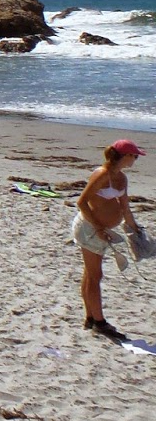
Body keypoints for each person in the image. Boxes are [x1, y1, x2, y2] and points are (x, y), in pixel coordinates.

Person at [73, 138, 144, 341]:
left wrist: (135, 229)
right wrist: (98, 227)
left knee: (91, 274)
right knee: (95, 276)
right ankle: (100, 322)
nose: (136, 160)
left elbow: (124, 207)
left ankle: (90, 318)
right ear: (125, 156)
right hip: (89, 229)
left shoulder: (121, 178)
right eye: (135, 156)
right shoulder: (102, 174)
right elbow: (82, 202)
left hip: (101, 231)